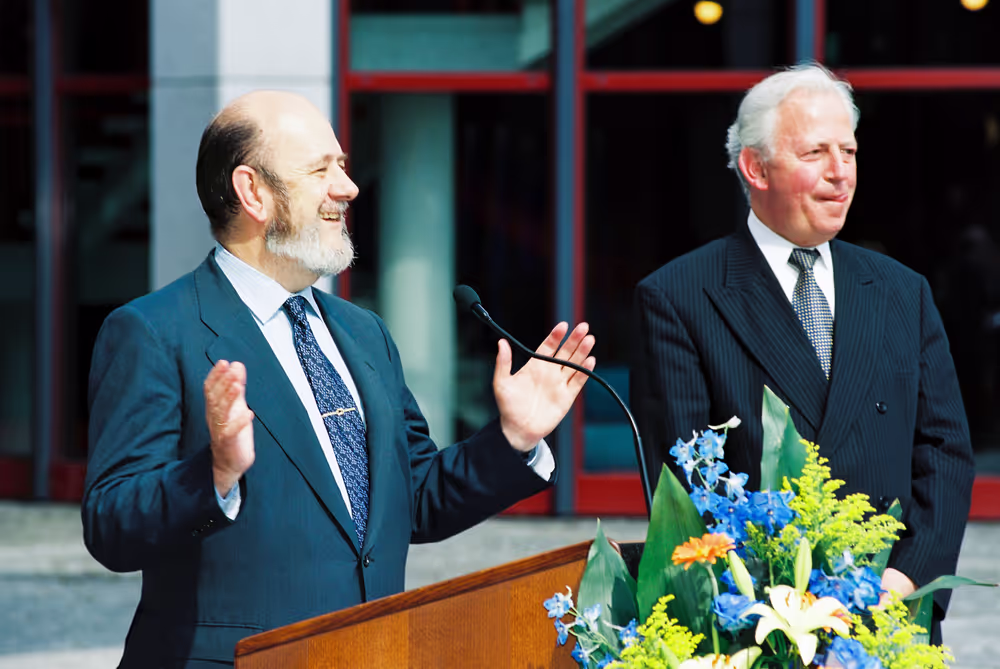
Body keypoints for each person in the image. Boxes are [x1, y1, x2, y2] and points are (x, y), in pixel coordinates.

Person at [82, 90, 596, 668]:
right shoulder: (153, 331)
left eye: (344, 166)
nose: (348, 187)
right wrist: (214, 475)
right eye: (321, 169)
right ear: (253, 192)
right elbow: (111, 525)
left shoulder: (363, 332)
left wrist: (512, 441)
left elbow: (416, 499)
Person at [630, 64, 974, 642]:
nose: (841, 173)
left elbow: (944, 451)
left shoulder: (902, 291)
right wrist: (783, 608)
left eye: (850, 150)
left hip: (888, 617)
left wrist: (899, 582)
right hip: (764, 629)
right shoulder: (679, 296)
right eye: (816, 153)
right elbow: (685, 488)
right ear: (755, 168)